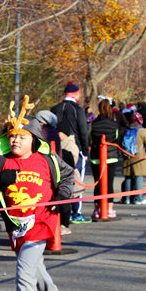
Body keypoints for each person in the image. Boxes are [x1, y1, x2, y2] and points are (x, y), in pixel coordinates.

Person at [0, 98, 74, 291]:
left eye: (22, 137)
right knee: (34, 269)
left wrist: (62, 197)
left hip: (41, 222)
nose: (15, 141)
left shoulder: (47, 160)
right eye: (12, 136)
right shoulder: (0, 162)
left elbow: (67, 177)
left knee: (24, 273)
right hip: (16, 225)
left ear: (33, 139)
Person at [51, 81, 90, 224]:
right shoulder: (77, 109)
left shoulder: (54, 108)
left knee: (59, 179)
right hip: (74, 147)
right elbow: (83, 130)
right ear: (75, 94)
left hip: (55, 147)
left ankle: (59, 210)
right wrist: (85, 150)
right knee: (76, 180)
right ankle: (76, 213)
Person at [35, 110, 70, 235]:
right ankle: (62, 224)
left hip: (47, 167)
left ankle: (53, 227)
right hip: (55, 166)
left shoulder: (44, 133)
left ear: (42, 122)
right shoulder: (54, 132)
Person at [89, 99, 119, 218]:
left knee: (98, 183)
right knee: (109, 184)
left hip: (96, 157)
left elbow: (90, 136)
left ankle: (97, 209)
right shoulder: (113, 123)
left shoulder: (94, 123)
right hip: (111, 157)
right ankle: (110, 209)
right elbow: (116, 137)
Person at [121, 112, 146, 205]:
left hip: (127, 156)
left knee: (128, 177)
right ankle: (139, 198)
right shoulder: (142, 131)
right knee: (138, 177)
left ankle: (126, 198)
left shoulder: (125, 130)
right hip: (139, 157)